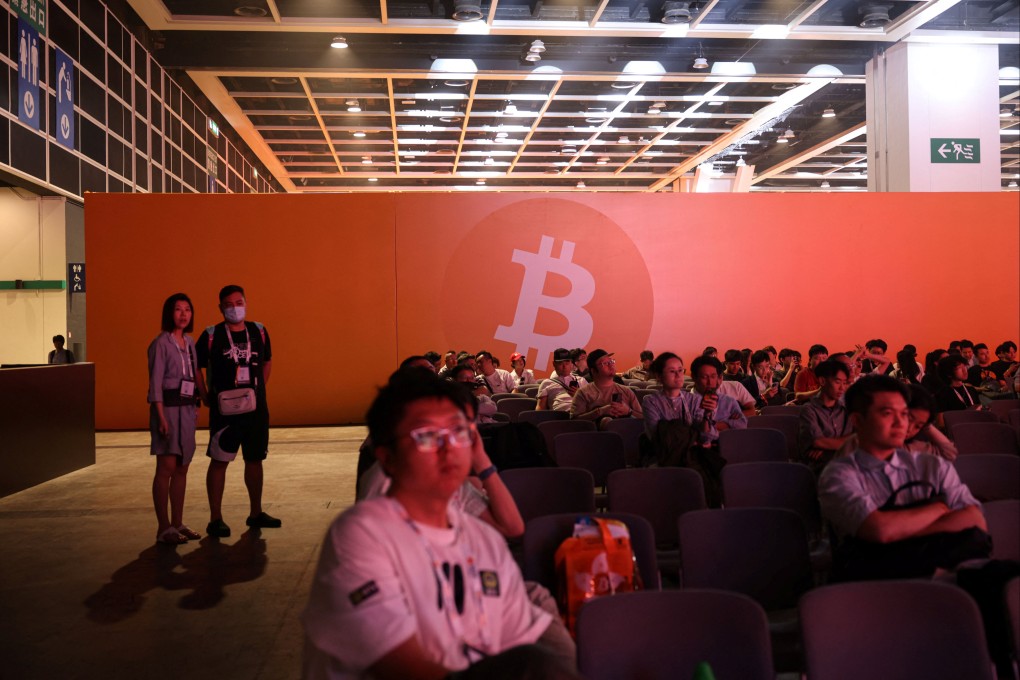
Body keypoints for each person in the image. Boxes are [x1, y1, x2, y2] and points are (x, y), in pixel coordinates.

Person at [302, 371, 576, 680]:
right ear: (387, 457)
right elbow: (404, 666)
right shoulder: (363, 534)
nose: (449, 449)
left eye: (459, 433)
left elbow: (516, 636)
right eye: (428, 436)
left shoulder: (482, 539)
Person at [818, 376, 986, 580]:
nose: (901, 423)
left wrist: (896, 534)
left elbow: (975, 519)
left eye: (904, 414)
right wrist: (940, 508)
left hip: (943, 580)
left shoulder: (932, 466)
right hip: (875, 586)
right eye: (887, 413)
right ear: (857, 420)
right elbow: (880, 529)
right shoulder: (838, 475)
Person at [197, 285, 280, 538]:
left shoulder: (259, 331)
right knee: (220, 462)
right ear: (221, 308)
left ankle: (255, 513)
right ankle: (215, 519)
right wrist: (204, 395)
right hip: (224, 412)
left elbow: (267, 362)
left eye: (239, 302)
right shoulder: (211, 335)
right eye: (229, 304)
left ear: (246, 302)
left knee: (255, 460)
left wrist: (256, 391)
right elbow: (196, 367)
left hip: (255, 410)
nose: (235, 308)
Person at [147, 293, 205, 544]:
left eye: (188, 310)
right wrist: (160, 417)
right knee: (166, 468)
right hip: (167, 411)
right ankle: (163, 527)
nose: (183, 314)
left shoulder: (190, 343)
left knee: (182, 468)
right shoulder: (160, 343)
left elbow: (193, 378)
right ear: (169, 313)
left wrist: (197, 404)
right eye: (178, 309)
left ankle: (178, 522)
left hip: (186, 411)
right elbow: (156, 383)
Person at [798, 359, 853, 474]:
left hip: (846, 465)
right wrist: (848, 443)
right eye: (838, 382)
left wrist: (828, 450)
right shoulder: (809, 410)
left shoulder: (845, 409)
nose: (842, 388)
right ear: (822, 381)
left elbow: (854, 439)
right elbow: (818, 442)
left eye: (845, 383)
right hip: (819, 470)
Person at [569, 349, 642, 428]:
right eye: (605, 363)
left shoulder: (626, 391)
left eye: (611, 361)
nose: (611, 365)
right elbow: (574, 422)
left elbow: (643, 418)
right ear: (593, 371)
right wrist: (600, 412)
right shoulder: (583, 392)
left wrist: (628, 411)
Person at [686, 355, 747, 446]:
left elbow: (742, 424)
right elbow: (702, 435)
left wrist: (713, 424)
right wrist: (728, 424)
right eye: (704, 377)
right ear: (694, 377)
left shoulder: (728, 401)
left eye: (713, 376)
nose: (710, 382)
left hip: (730, 446)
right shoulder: (686, 402)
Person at [933, 354, 982, 419]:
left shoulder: (971, 389)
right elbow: (941, 423)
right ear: (949, 373)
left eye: (964, 366)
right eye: (959, 368)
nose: (964, 370)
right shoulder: (942, 394)